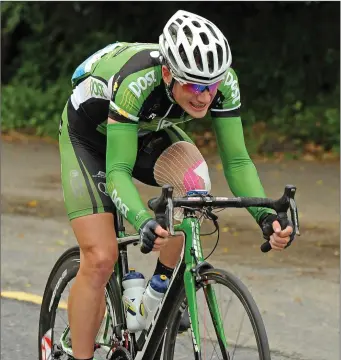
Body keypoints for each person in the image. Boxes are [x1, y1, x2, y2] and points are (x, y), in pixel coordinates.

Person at [58, 9, 293, 360]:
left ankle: (154, 297)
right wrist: (142, 220)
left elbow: (238, 161)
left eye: (211, 86)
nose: (204, 96)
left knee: (195, 189)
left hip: (144, 130)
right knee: (101, 256)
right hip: (89, 138)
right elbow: (118, 169)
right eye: (194, 86)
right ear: (168, 73)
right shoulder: (137, 80)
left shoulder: (222, 82)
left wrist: (265, 214)